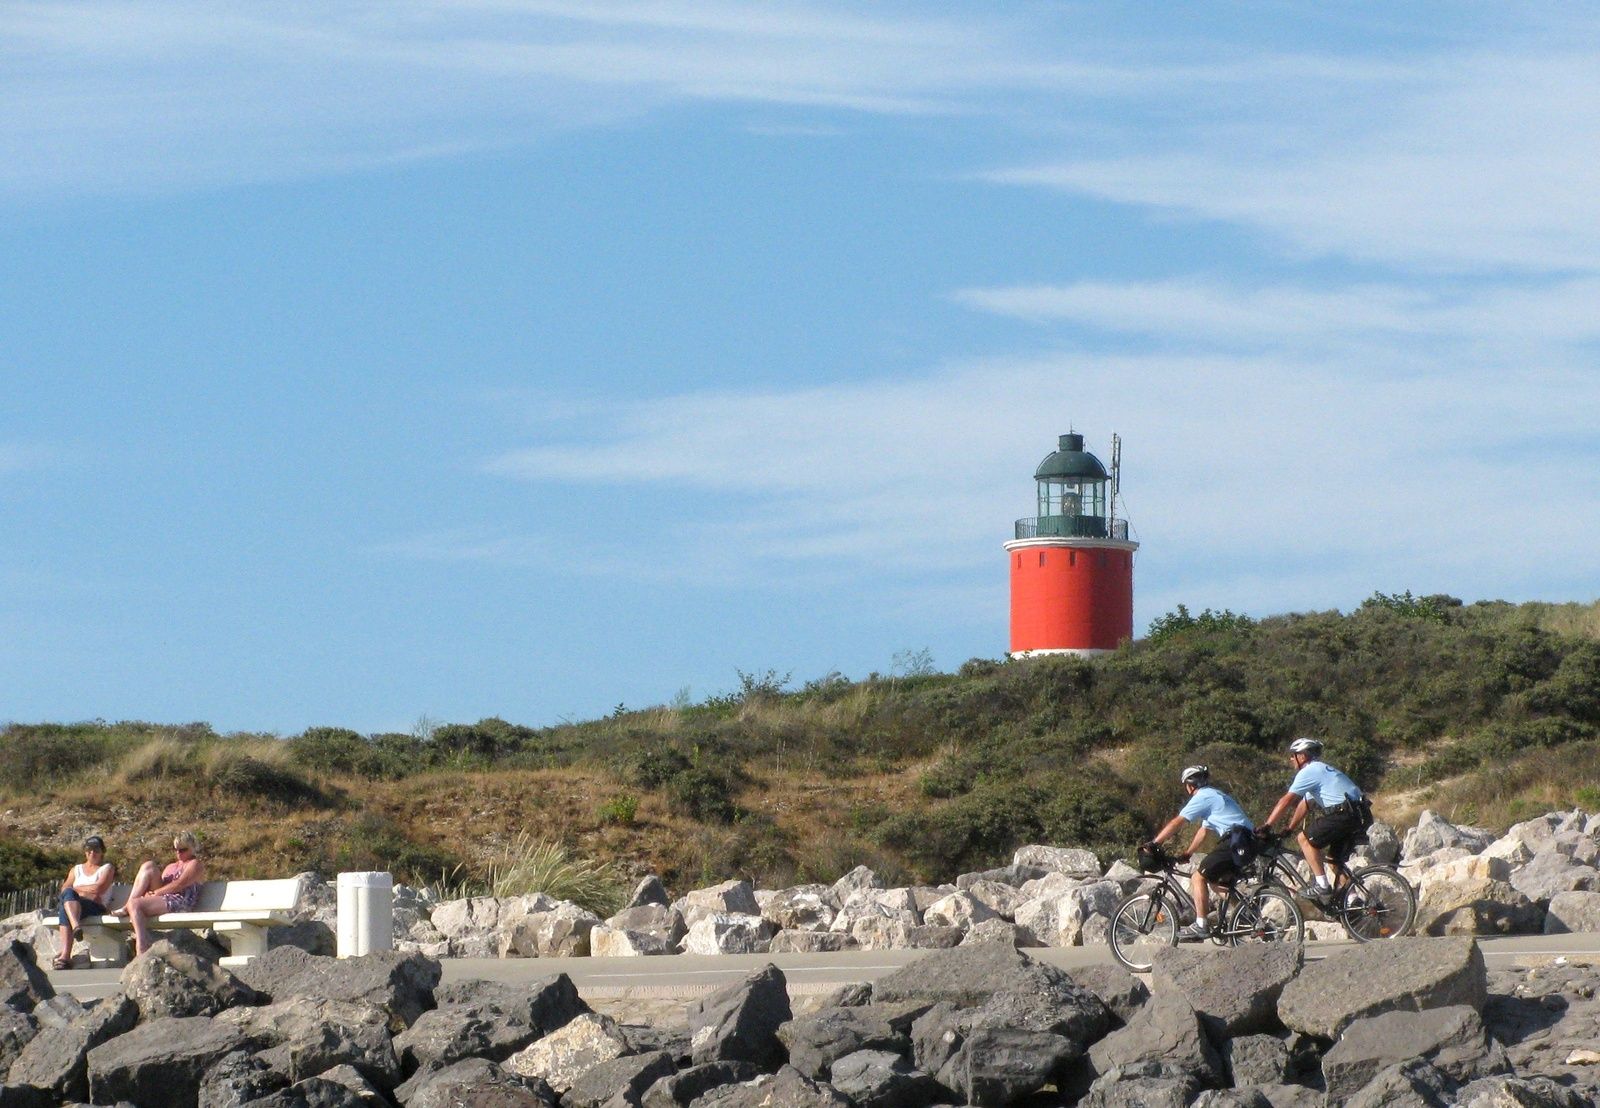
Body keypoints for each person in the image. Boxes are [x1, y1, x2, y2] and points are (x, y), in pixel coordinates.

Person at [1146, 764, 1257, 940]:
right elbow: (1203, 831)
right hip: (1246, 841)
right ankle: (1250, 916)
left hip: (1235, 841)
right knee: (1215, 882)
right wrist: (1188, 853)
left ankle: (1201, 925)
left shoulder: (1203, 796)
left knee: (1198, 877)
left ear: (1190, 785)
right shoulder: (1215, 795)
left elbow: (1178, 822)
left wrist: (1154, 843)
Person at [1261, 737, 1368, 906]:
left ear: (1302, 756)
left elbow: (1287, 800)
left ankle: (1322, 885)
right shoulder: (1323, 770)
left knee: (1303, 839)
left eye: (1293, 755)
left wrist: (1267, 825)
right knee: (1334, 860)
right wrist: (1289, 828)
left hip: (1343, 813)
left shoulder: (1308, 771)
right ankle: (1354, 900)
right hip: (1359, 815)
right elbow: (1305, 804)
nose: (1290, 759)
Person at [108, 830, 205, 957]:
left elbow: (180, 884)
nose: (178, 853)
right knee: (148, 866)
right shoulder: (171, 866)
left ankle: (141, 945)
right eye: (176, 849)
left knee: (135, 904)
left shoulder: (195, 864)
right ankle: (128, 907)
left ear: (192, 848)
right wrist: (153, 894)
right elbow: (164, 887)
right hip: (166, 897)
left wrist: (156, 893)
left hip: (181, 900)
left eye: (183, 850)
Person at [54, 835, 116, 969]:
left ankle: (65, 956)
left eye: (96, 850)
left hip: (95, 907)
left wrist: (77, 890)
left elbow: (98, 889)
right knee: (68, 897)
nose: (92, 853)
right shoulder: (76, 869)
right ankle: (76, 926)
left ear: (102, 852)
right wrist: (85, 893)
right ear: (85, 851)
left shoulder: (107, 868)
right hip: (76, 905)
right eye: (89, 850)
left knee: (66, 904)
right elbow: (65, 888)